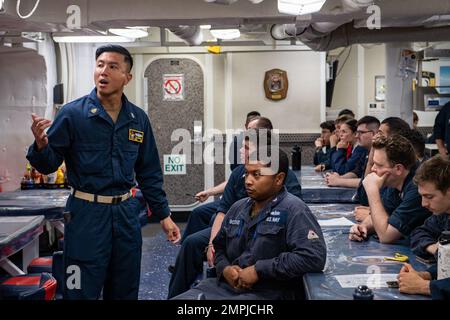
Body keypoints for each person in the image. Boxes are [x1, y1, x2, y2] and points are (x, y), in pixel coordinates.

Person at [27, 45, 180, 300]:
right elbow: (48, 165)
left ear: (127, 77)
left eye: (113, 66)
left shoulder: (137, 119)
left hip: (125, 215)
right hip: (85, 215)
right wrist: (41, 146)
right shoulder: (73, 114)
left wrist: (164, 215)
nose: (103, 71)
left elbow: (149, 171)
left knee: (124, 288)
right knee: (79, 290)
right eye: (100, 65)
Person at [172, 147, 326, 300]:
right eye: (247, 174)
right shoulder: (238, 208)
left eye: (257, 175)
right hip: (226, 287)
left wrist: (259, 271)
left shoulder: (294, 210)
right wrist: (225, 268)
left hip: (270, 292)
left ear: (278, 179)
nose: (248, 181)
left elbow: (313, 256)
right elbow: (218, 247)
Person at [180, 113, 262, 242]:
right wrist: (209, 192)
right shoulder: (240, 148)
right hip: (233, 199)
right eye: (249, 129)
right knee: (198, 213)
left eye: (254, 130)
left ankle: (211, 249)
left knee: (215, 219)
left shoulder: (270, 160)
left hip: (247, 205)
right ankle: (187, 253)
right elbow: (234, 179)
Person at [349, 135, 431, 244]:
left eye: (378, 165)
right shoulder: (394, 181)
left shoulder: (418, 188)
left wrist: (372, 191)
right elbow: (383, 213)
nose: (373, 169)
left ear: (398, 169)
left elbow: (386, 236)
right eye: (373, 163)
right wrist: (363, 227)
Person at [397, 155, 450, 299]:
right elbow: (419, 232)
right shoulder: (444, 214)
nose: (423, 204)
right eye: (422, 196)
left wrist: (425, 286)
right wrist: (426, 275)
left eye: (430, 197)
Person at [325, 116, 380, 188]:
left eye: (361, 133)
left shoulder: (380, 154)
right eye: (357, 132)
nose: (356, 136)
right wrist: (340, 178)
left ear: (373, 134)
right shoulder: (366, 151)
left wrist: (338, 181)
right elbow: (356, 172)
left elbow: (368, 182)